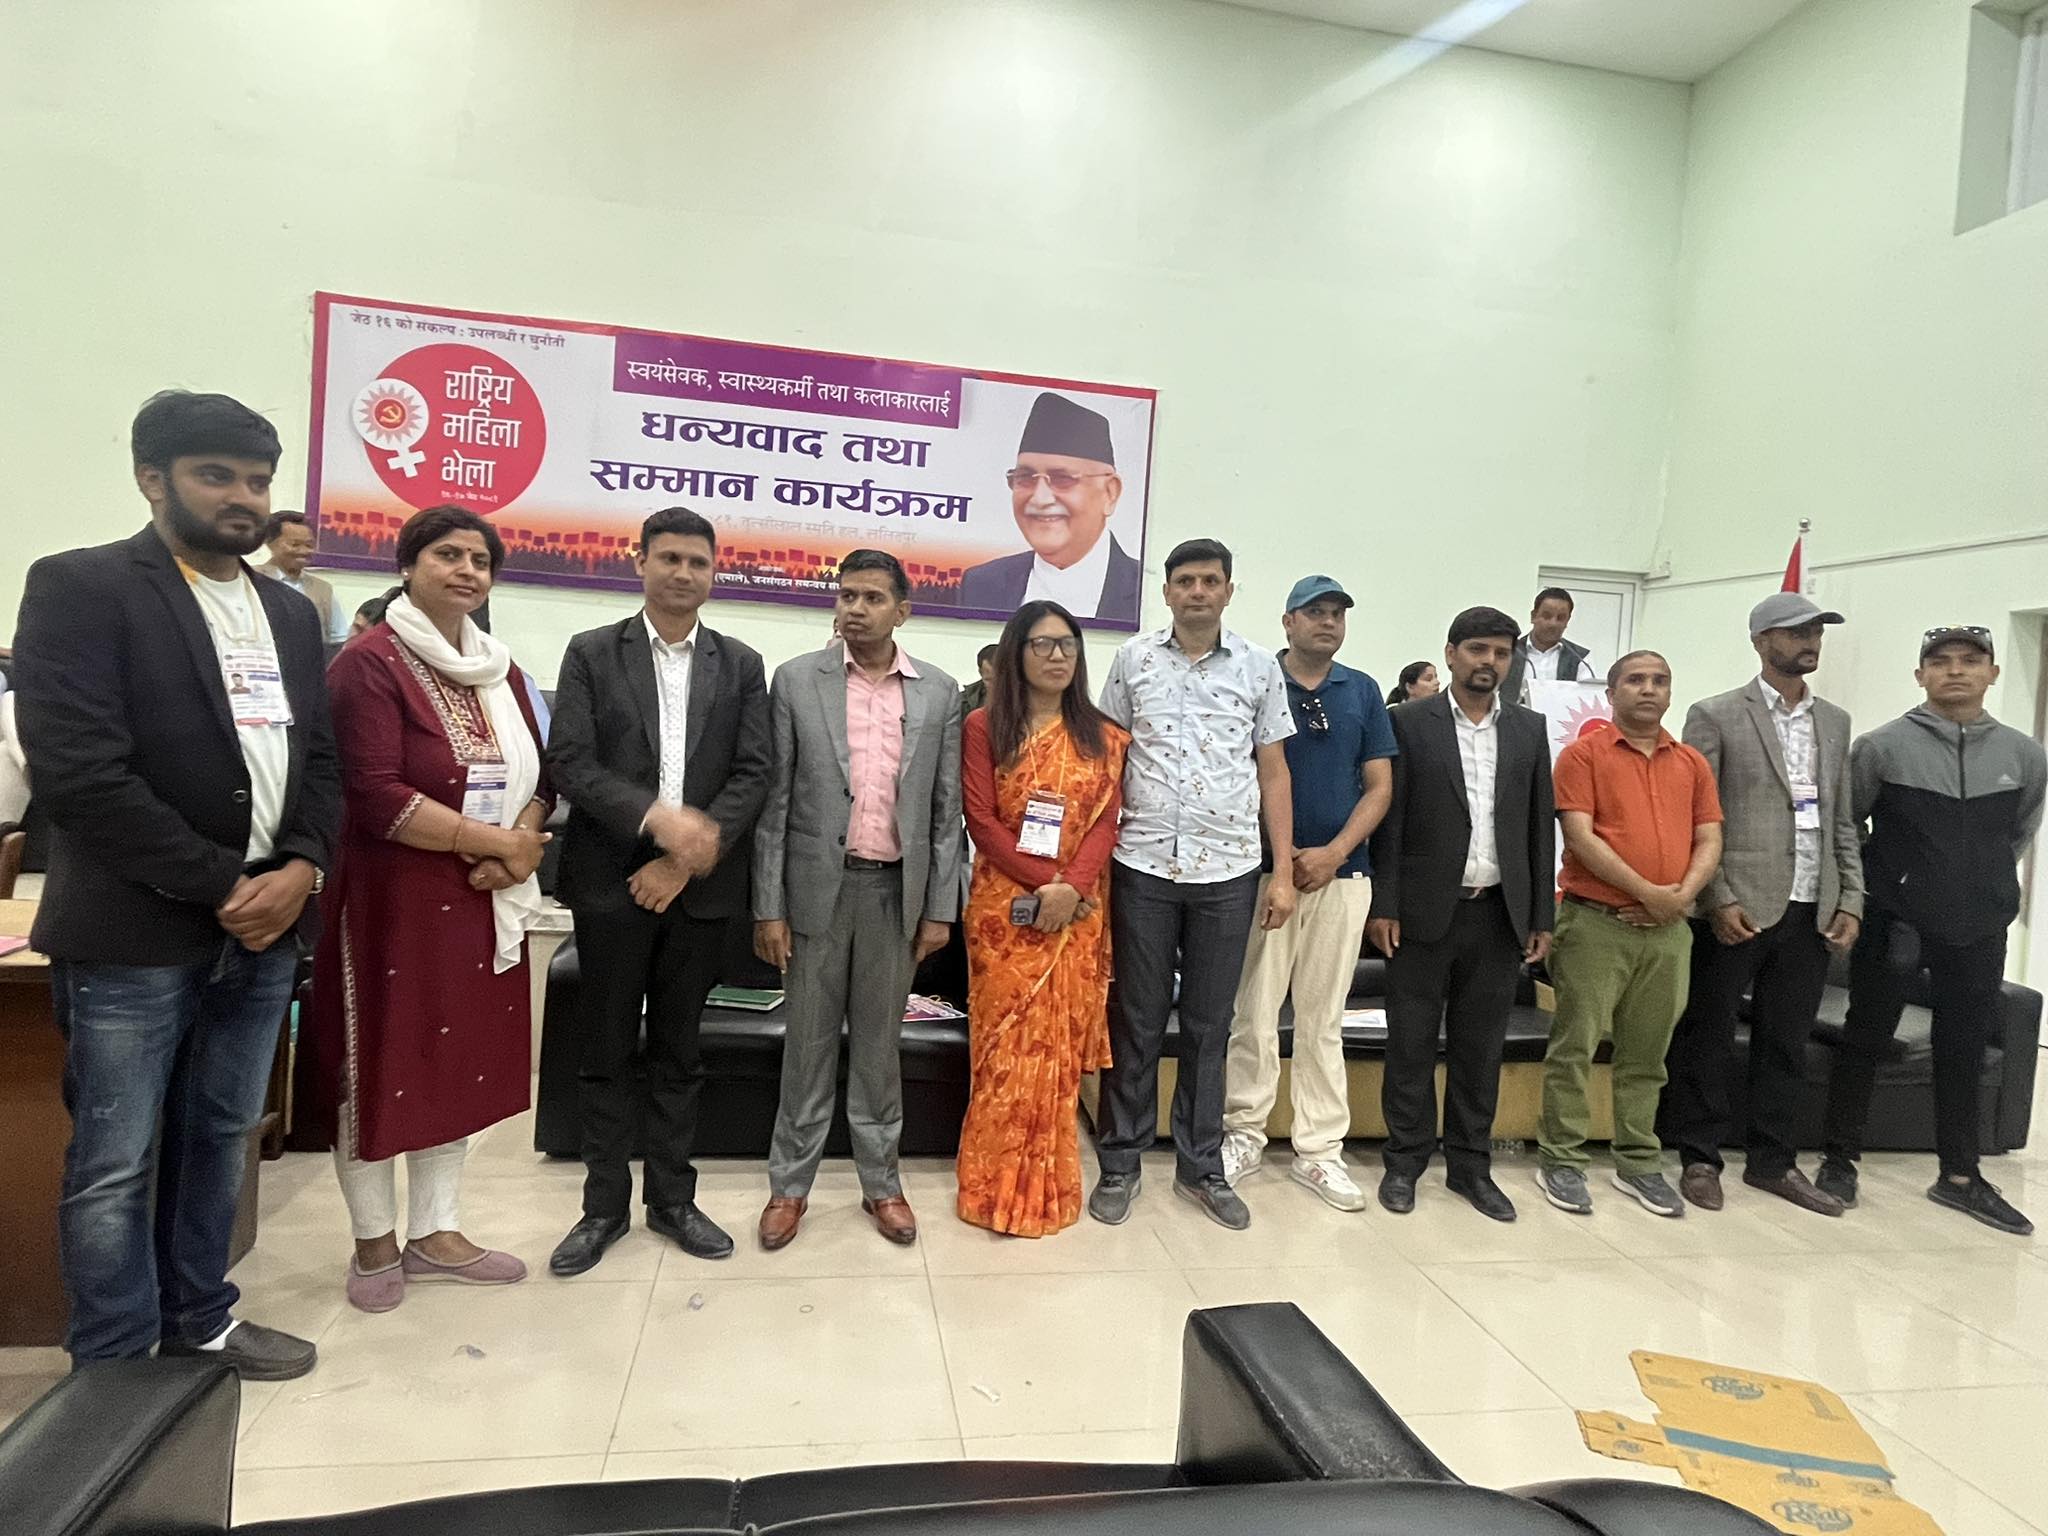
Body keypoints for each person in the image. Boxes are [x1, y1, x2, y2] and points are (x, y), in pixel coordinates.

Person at [13, 389, 339, 1376]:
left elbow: (321, 761)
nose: (243, 497)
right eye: (215, 475)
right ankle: (113, 1367)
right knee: (115, 1161)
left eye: (257, 480)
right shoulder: (82, 586)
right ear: (151, 478)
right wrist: (227, 884)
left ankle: (200, 1320)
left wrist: (303, 867)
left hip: (265, 930)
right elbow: (79, 772)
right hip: (135, 930)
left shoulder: (287, 612)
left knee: (221, 1133)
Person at [308, 504, 552, 1312]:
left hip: (482, 893)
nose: (466, 571)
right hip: (391, 900)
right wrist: (492, 843)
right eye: (448, 554)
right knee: (380, 1059)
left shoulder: (501, 669)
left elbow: (542, 775)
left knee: (457, 1061)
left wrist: (518, 843)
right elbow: (374, 792)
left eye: (480, 560)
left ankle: (436, 1231)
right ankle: (373, 1240)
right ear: (407, 565)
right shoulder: (368, 664)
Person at [544, 508, 771, 1273]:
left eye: (697, 561)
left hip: (698, 889)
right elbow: (571, 761)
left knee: (681, 1051)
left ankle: (673, 1200)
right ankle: (602, 1208)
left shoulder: (740, 664)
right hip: (610, 881)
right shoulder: (591, 652)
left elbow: (754, 772)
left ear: (714, 572)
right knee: (605, 1050)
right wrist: (656, 820)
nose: (683, 572)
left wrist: (682, 859)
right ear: (638, 560)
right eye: (669, 557)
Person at [753, 549, 962, 1249]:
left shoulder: (938, 692)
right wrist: (769, 906)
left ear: (903, 610)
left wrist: (939, 910)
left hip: (894, 895)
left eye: (873, 598)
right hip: (818, 890)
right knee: (806, 1047)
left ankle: (882, 1184)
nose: (856, 609)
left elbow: (945, 814)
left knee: (878, 1050)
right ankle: (789, 1187)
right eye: (847, 596)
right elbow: (775, 804)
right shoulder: (795, 681)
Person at [1091, 538, 1297, 1231]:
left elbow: (1274, 771)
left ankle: (1201, 1166)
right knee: (1136, 1019)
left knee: (1211, 1026)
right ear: (1168, 592)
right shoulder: (1133, 661)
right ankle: (1120, 1162)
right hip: (1142, 864)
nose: (1198, 591)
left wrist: (1283, 873)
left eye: (1211, 580)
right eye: (1185, 581)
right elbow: (1107, 762)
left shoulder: (1260, 667)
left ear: (1229, 591)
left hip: (1228, 870)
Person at [1817, 627, 2046, 1234]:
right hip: (1896, 919)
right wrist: (1869, 894)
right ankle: (1838, 1161)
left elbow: (2019, 833)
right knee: (1866, 1036)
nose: (1955, 671)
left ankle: (1960, 1177)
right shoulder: (1880, 747)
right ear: (1920, 676)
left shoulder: (2025, 755)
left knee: (1963, 1048)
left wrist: (1980, 884)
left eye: (1970, 661)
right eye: (1940, 662)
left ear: (1992, 674)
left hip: (1978, 926)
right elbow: (1848, 826)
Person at [1660, 593, 1863, 1216]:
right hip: (1738, 905)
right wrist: (1716, 897)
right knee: (1709, 1035)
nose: (1810, 642)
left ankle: (1773, 1162)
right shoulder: (1716, 714)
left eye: (1816, 632)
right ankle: (1699, 1156)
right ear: (1760, 641)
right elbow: (1697, 816)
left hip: (1811, 903)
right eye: (1795, 632)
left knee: (1786, 1041)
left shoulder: (1835, 721)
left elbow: (1842, 817)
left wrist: (1851, 896)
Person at [1368, 607, 1554, 1221]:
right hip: (1422, 911)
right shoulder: (1408, 722)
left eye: (1500, 652)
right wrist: (1384, 903)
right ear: (1451, 654)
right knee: (1411, 1045)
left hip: (1499, 914)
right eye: (1477, 649)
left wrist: (1541, 916)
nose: (1488, 662)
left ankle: (1471, 1168)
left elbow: (1538, 827)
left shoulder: (1529, 729)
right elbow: (1390, 822)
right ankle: (1404, 1163)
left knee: (1481, 1049)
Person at [1219, 577, 1393, 1212]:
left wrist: (1334, 853)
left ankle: (1319, 1151)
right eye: (1314, 612)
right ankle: (1243, 1134)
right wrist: (1286, 863)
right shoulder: (1256, 680)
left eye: (1337, 614)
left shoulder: (1363, 690)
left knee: (1323, 1020)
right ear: (1287, 621)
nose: (1327, 623)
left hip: (1343, 877)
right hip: (1267, 875)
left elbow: (1379, 787)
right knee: (1255, 1011)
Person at [956, 601, 1129, 1236]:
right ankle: (990, 1188)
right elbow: (981, 820)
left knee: (1053, 1055)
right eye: (1042, 644)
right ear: (1016, 653)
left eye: (1067, 644)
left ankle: (1048, 1186)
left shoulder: (1104, 736)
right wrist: (1046, 885)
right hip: (1005, 912)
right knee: (1003, 1051)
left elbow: (1107, 821)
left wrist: (1072, 886)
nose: (1057, 656)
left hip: (1077, 912)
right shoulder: (984, 726)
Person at [1538, 651, 1722, 1218]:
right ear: (1611, 692)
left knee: (1648, 1055)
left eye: (1659, 681)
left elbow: (1710, 838)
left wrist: (1679, 898)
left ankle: (1639, 1161)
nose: (1649, 689)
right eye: (1636, 680)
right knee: (1575, 1047)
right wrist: (1650, 893)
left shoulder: (1691, 762)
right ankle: (1562, 1160)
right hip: (1596, 924)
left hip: (1669, 932)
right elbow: (1580, 837)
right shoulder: (1582, 755)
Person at [957, 392, 1143, 623]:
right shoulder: (983, 584)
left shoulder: (1145, 588)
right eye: (1025, 477)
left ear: (1109, 492)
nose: (1040, 498)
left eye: (1062, 479)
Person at [257, 510, 349, 645]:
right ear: (270, 543)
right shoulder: (252, 580)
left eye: (309, 545)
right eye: (295, 544)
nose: (304, 551)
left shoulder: (323, 589)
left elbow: (338, 638)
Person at [1504, 587, 1594, 705]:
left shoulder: (1580, 657)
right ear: (1533, 616)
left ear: (1567, 621)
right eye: (1547, 616)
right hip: (1513, 715)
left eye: (1560, 618)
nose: (1553, 623)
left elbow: (1587, 698)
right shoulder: (1510, 650)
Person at [959, 643, 998, 716]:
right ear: (980, 673)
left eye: (1000, 680)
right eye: (989, 680)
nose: (995, 685)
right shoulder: (965, 702)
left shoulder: (1020, 699)